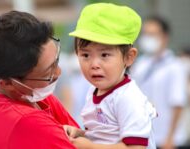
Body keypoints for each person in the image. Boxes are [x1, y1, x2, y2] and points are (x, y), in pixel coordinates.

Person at [0, 11, 79, 149]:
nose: (59, 72)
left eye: (57, 60)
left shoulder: (31, 95)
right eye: (48, 72)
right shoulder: (25, 121)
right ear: (8, 83)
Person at [64, 3, 157, 149]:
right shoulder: (93, 91)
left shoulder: (127, 98)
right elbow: (104, 135)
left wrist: (90, 147)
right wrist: (80, 134)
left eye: (105, 55)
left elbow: (136, 147)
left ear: (129, 57)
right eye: (85, 55)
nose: (94, 64)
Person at [132, 16, 189, 149]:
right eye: (145, 34)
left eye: (152, 34)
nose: (147, 38)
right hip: (144, 137)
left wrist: (170, 137)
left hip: (168, 140)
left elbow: (178, 103)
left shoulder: (175, 66)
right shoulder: (140, 64)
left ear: (165, 37)